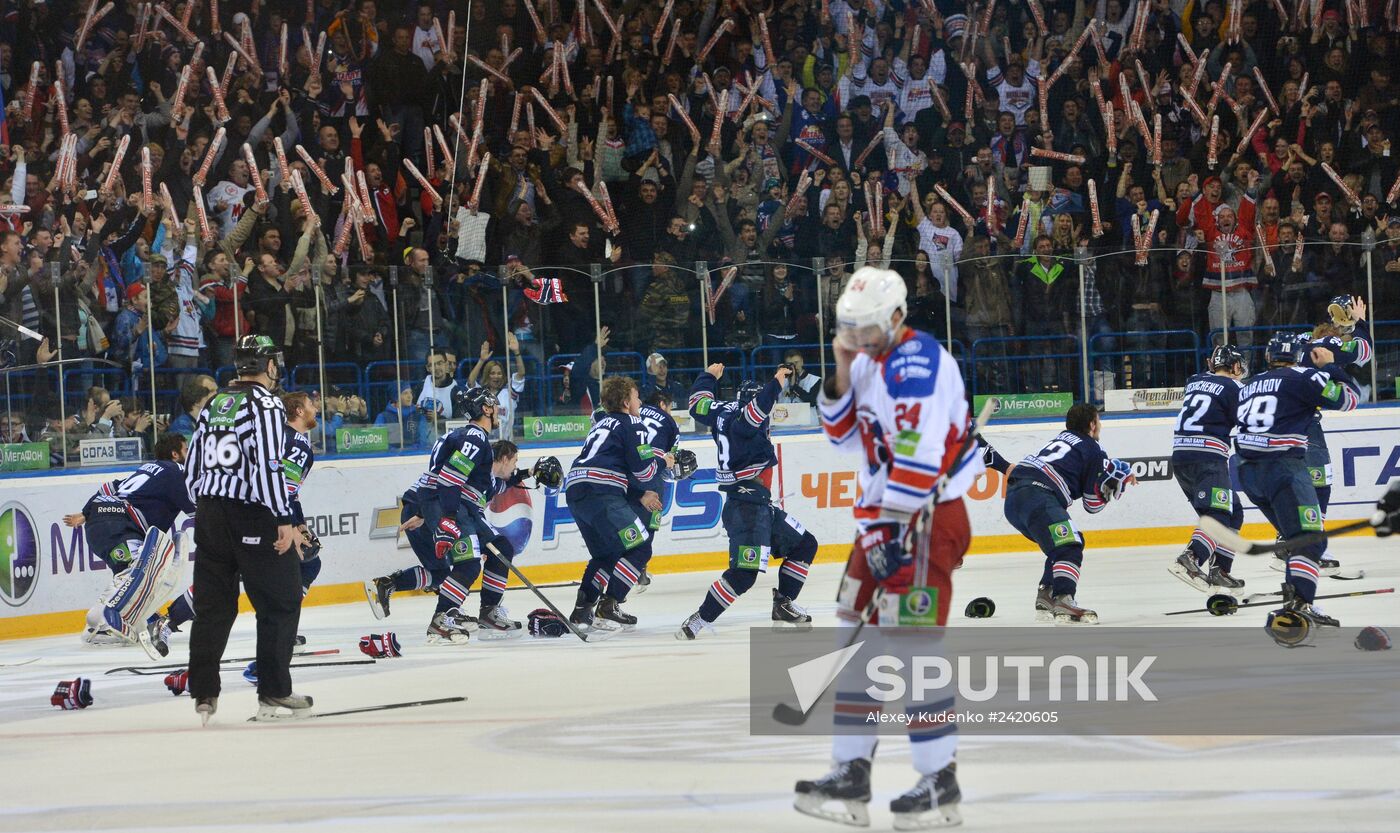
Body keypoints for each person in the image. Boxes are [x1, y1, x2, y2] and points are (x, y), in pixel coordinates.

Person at [796, 267, 983, 829]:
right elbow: (840, 437)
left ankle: (939, 778)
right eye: (847, 328)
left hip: (925, 517)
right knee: (851, 633)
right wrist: (841, 366)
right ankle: (851, 767)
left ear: (897, 318)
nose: (856, 336)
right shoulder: (867, 358)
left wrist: (883, 528)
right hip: (884, 518)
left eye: (864, 329)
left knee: (911, 644)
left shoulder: (916, 362)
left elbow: (920, 461)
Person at [184, 335, 306, 724]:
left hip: (209, 512)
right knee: (281, 599)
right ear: (268, 365)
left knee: (213, 606)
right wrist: (283, 518)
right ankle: (273, 691)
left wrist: (206, 508)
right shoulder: (267, 403)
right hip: (252, 514)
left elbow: (192, 469)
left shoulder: (216, 402)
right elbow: (269, 465)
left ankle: (204, 692)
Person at [365, 389, 547, 641]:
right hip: (448, 506)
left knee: (493, 551)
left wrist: (530, 471)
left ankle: (486, 611)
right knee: (469, 562)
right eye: (494, 405)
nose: (497, 411)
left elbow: (498, 483)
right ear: (485, 409)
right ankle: (443, 618)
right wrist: (443, 516)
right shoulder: (475, 438)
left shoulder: (473, 446)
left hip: (443, 505)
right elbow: (450, 478)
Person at [677, 364, 819, 638]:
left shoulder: (723, 411)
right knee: (744, 573)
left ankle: (783, 604)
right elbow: (754, 415)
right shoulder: (746, 422)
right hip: (746, 508)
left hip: (758, 504)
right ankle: (699, 619)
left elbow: (697, 403)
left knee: (804, 544)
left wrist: (708, 376)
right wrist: (777, 382)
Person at [1237, 333, 1359, 633]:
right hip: (1283, 468)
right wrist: (1331, 367)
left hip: (1247, 473)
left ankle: (1299, 600)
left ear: (1268, 357)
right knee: (1311, 539)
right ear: (1298, 356)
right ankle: (1299, 607)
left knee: (1296, 538)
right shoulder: (1306, 377)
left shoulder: (1249, 384)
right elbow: (1350, 399)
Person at [985, 404, 1136, 624]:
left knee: (1060, 545)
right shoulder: (1093, 449)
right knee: (1070, 545)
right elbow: (1092, 505)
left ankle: (1047, 595)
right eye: (1098, 422)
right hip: (1038, 497)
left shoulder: (1062, 438)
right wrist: (1112, 487)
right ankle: (1064, 600)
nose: (1100, 426)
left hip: (1014, 501)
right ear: (1092, 425)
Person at [62, 434, 195, 655]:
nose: (189, 454)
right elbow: (196, 508)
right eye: (186, 449)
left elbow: (109, 487)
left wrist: (86, 513)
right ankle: (106, 619)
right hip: (121, 525)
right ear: (175, 454)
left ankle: (110, 618)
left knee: (127, 574)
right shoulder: (176, 471)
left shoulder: (149, 468)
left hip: (100, 523)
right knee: (145, 571)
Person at [564, 377, 667, 630]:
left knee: (606, 553)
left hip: (576, 489)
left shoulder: (601, 424)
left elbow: (606, 466)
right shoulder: (633, 422)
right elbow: (645, 473)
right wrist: (665, 461)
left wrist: (636, 494)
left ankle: (582, 610)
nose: (640, 402)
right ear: (625, 402)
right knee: (641, 548)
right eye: (635, 397)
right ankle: (610, 604)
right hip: (602, 493)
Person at [1283, 296, 1374, 578]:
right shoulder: (1328, 346)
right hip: (1303, 420)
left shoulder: (1301, 343)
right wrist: (1360, 322)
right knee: (1321, 480)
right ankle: (1312, 547)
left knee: (1293, 481)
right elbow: (1363, 353)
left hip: (1282, 416)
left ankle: (1287, 541)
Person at [1168, 345, 1248, 593]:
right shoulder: (1235, 387)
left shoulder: (1194, 381)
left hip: (1181, 457)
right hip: (1208, 457)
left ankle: (1220, 570)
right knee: (1220, 515)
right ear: (1234, 366)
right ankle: (1190, 558)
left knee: (1233, 511)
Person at [466, 335, 527, 441]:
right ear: (487, 375)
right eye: (492, 373)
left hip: (505, 443)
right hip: (484, 443)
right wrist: (481, 360)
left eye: (499, 373)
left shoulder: (509, 392)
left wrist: (517, 352)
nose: (496, 376)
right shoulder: (480, 393)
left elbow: (521, 374)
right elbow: (471, 382)